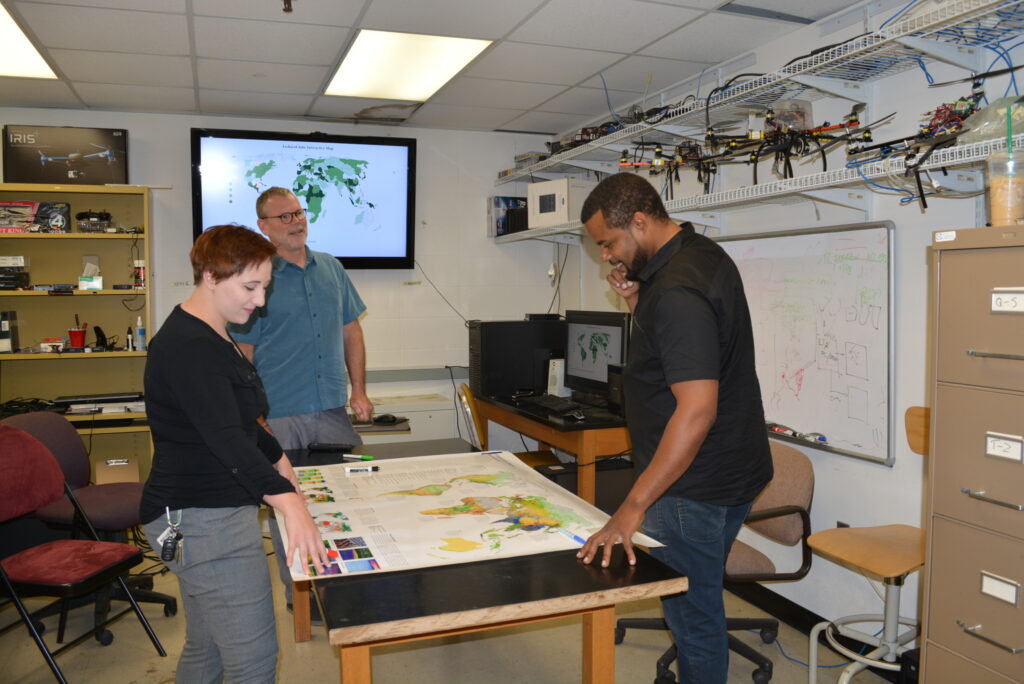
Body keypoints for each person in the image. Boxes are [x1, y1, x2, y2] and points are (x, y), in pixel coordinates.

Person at [576, 173, 773, 684]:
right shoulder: (698, 255)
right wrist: (639, 303)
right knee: (700, 598)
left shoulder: (679, 289)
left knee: (693, 615)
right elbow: (686, 356)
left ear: (639, 222)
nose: (606, 257)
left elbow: (696, 410)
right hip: (732, 470)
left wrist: (631, 508)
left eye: (609, 243)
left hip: (691, 487)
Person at [140, 224, 329, 683]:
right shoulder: (188, 346)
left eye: (264, 287)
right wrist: (288, 502)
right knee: (254, 662)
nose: (259, 301)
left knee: (207, 648)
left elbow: (240, 419)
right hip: (198, 521)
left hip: (195, 514)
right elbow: (225, 437)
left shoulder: (211, 333)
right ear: (210, 275)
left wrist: (277, 455)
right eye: (250, 287)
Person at [229, 186, 371, 614]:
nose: (296, 222)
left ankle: (346, 587)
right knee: (292, 510)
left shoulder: (331, 268)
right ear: (264, 227)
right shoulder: (258, 277)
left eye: (299, 213)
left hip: (331, 408)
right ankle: (303, 601)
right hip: (279, 415)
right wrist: (253, 417)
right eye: (284, 217)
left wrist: (359, 391)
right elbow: (243, 354)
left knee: (346, 502)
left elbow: (352, 331)